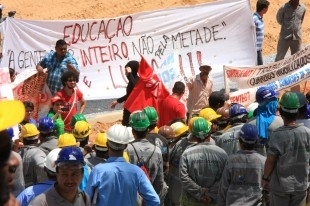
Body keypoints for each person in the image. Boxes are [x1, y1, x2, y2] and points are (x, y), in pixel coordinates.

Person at [86, 124, 160, 205]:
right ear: (125, 146)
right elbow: (154, 200)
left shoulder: (98, 171)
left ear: (107, 145)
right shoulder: (136, 172)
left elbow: (87, 199)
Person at [262, 91, 310, 205]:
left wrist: (265, 179)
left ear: (281, 112)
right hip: (301, 185)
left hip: (280, 188)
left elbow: (270, 161)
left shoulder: (277, 135)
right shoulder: (307, 133)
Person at [179, 118, 227, 205]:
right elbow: (224, 177)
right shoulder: (222, 154)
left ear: (193, 136)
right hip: (213, 201)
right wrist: (210, 194)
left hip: (190, 201)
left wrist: (200, 192)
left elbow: (184, 177)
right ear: (209, 134)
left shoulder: (187, 153)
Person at [218, 124, 266, 206]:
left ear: (240, 141)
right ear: (256, 142)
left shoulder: (231, 160)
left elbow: (224, 186)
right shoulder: (263, 161)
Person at [126, 111, 165, 203]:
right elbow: (160, 181)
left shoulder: (127, 149)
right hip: (149, 196)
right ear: (148, 130)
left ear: (132, 130)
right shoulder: (157, 151)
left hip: (132, 198)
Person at [248, 87, 283, 156]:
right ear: (272, 101)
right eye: (276, 99)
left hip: (257, 165)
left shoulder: (249, 124)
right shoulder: (281, 122)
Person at [110, 60, 140, 126]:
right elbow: (130, 95)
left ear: (132, 71)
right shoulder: (133, 80)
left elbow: (135, 88)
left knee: (129, 126)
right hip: (129, 108)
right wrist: (118, 101)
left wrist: (129, 74)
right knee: (126, 125)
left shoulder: (138, 81)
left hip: (133, 110)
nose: (125, 73)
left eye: (126, 71)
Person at [253, 0, 270, 65]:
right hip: (255, 50)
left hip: (258, 49)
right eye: (267, 8)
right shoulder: (254, 19)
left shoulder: (259, 18)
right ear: (264, 9)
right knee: (259, 67)